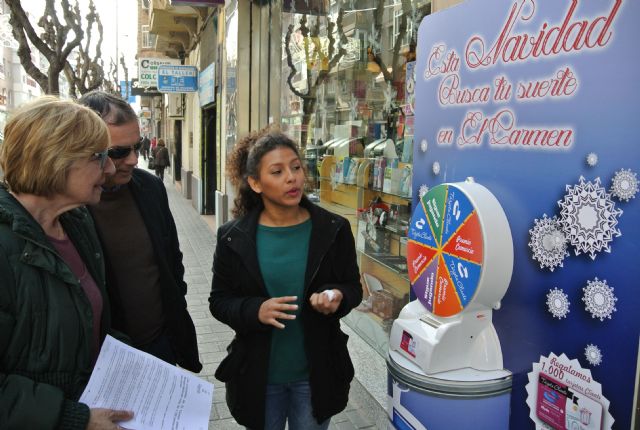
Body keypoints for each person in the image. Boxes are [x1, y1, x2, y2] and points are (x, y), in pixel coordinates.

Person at [209, 128, 363, 430]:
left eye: (295, 167)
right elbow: (219, 301)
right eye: (277, 172)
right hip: (259, 376)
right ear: (255, 183)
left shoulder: (333, 229)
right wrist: (255, 310)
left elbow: (353, 287)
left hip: (316, 373)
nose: (292, 177)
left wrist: (337, 297)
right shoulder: (232, 237)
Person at [0, 96, 134, 428]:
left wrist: (130, 360)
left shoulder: (76, 223)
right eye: (99, 157)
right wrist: (72, 417)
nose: (111, 168)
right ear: (54, 160)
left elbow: (87, 320)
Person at [78, 91, 202, 373]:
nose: (134, 160)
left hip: (161, 344)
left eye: (138, 146)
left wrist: (175, 304)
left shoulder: (150, 188)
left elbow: (171, 257)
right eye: (119, 152)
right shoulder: (69, 207)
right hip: (104, 356)